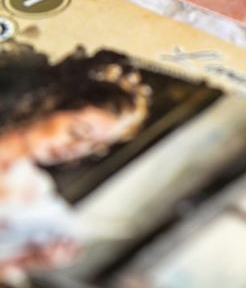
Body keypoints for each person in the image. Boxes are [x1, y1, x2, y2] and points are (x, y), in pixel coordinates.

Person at [0, 46, 151, 283]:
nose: (78, 148)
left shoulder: (37, 191)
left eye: (93, 146)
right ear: (48, 104)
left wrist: (26, 260)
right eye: (78, 132)